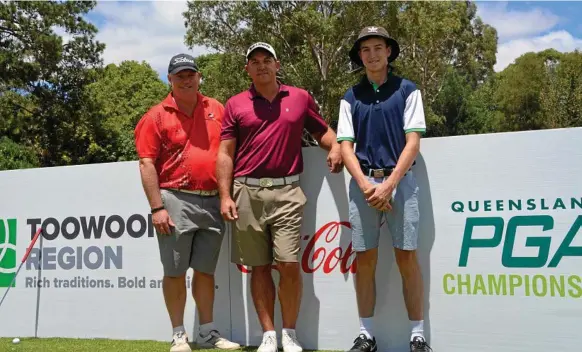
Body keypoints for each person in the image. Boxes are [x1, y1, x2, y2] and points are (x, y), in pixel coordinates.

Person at [216, 42, 343, 352]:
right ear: (247, 69)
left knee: (288, 264)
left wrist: (336, 146)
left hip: (288, 191)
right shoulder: (235, 104)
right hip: (246, 192)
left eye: (267, 60)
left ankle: (289, 332)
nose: (261, 66)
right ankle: (268, 335)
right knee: (258, 267)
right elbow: (225, 153)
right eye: (255, 61)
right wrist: (225, 195)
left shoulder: (299, 98)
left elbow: (321, 131)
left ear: (277, 64)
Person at [134, 53, 240, 352]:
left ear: (198, 76)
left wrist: (224, 195)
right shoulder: (155, 115)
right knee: (175, 271)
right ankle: (179, 333)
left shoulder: (216, 108)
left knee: (206, 271)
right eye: (179, 74)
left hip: (212, 199)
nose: (186, 78)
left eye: (190, 73)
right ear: (169, 79)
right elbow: (146, 164)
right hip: (175, 198)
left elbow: (229, 150)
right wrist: (157, 208)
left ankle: (207, 332)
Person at [337, 27, 433, 352]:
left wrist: (389, 184)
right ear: (360, 55)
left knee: (407, 258)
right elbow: (346, 148)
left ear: (389, 52)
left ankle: (418, 337)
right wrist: (366, 185)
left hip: (400, 182)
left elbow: (413, 143)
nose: (373, 54)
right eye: (366, 49)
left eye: (379, 47)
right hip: (363, 184)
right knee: (364, 261)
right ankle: (367, 335)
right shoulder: (350, 97)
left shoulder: (407, 90)